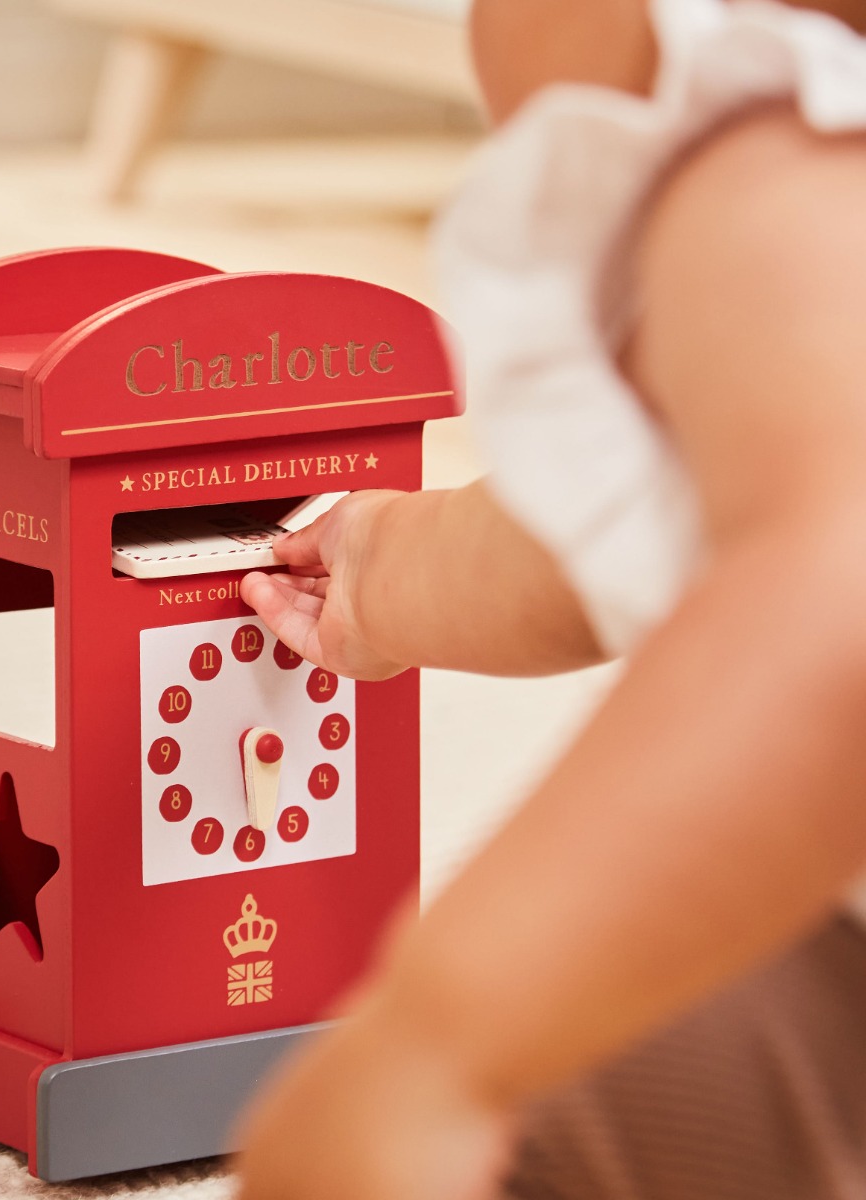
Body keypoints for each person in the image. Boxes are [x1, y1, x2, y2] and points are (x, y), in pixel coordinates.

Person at [234, 1, 866, 1197]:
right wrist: (382, 564)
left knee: (525, 1110)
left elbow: (840, 601)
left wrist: (434, 1044)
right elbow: (599, 536)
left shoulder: (781, 176)